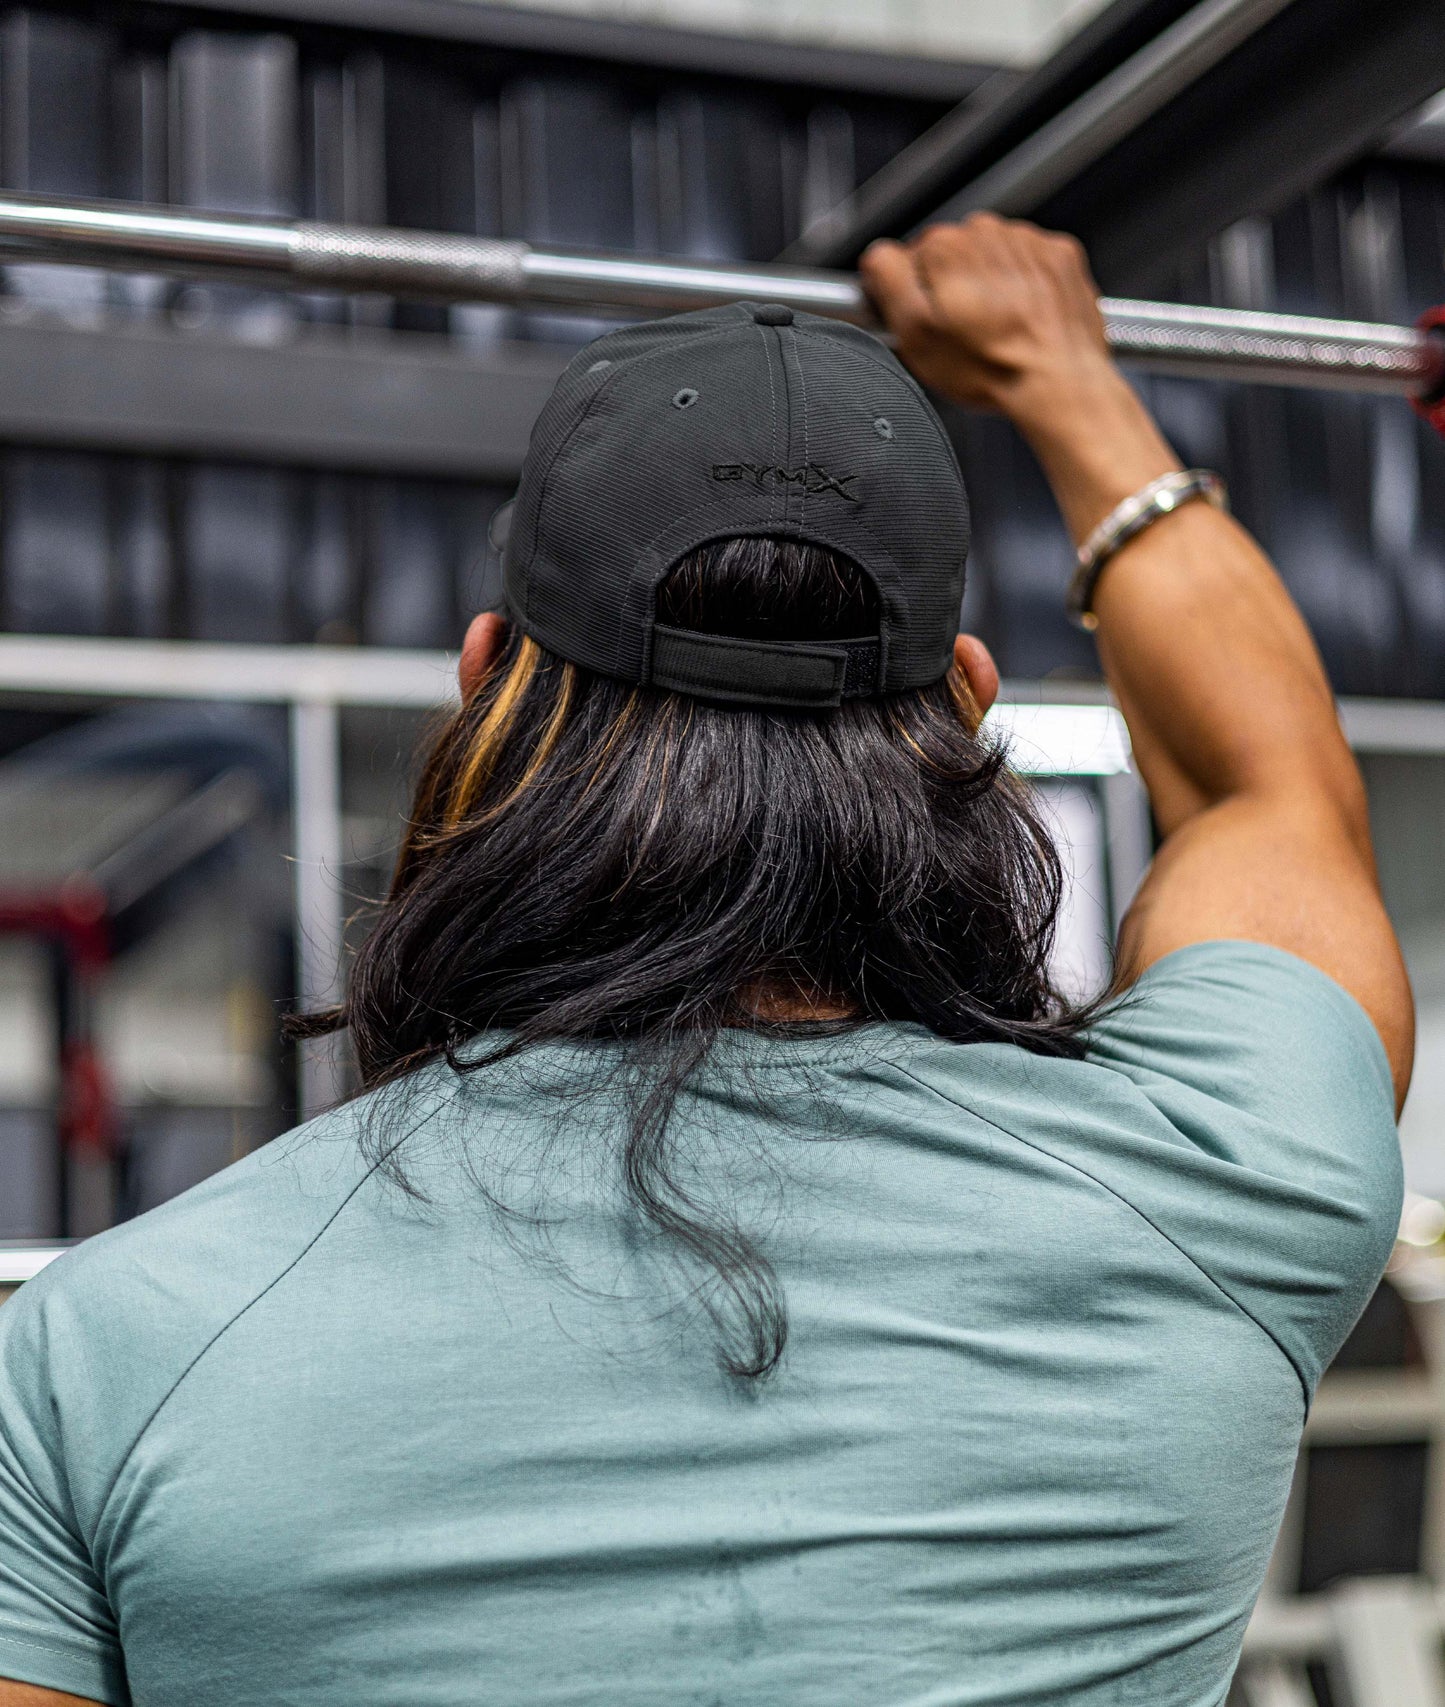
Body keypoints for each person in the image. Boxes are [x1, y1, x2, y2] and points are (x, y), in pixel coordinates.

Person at [0, 216, 1411, 1707]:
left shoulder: (109, 1347)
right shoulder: (1225, 1179)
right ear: (969, 702)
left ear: (482, 679)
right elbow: (1270, 788)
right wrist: (1064, 379)